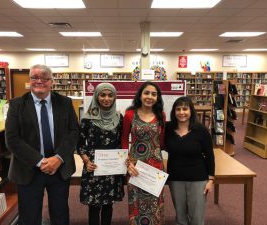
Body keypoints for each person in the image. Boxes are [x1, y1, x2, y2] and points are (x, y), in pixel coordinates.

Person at [5, 64, 79, 225]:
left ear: (51, 81)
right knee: (29, 217)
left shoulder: (65, 103)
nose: (40, 81)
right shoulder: (17, 105)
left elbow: (73, 132)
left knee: (60, 215)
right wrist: (40, 161)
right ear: (29, 80)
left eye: (44, 78)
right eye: (35, 77)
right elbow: (12, 139)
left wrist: (58, 158)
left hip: (59, 169)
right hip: (28, 168)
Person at [79, 83, 125, 225]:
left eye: (110, 95)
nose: (106, 98)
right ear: (96, 96)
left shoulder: (119, 117)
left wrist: (124, 159)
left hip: (112, 167)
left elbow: (120, 142)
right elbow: (79, 143)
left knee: (108, 204)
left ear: (115, 97)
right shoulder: (88, 118)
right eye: (102, 95)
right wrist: (86, 161)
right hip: (94, 166)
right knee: (94, 205)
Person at [164, 96, 215, 225]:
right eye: (178, 109)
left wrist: (211, 179)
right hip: (175, 178)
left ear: (191, 111)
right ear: (174, 112)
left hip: (198, 179)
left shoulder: (201, 130)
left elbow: (209, 155)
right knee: (180, 217)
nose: (181, 112)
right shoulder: (168, 129)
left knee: (197, 218)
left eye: (185, 109)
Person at [122, 81, 166, 225]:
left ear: (157, 97)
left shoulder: (161, 115)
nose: (150, 97)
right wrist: (128, 164)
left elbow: (161, 141)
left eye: (154, 94)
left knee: (155, 202)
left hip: (155, 166)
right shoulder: (129, 114)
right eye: (146, 93)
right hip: (135, 167)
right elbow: (123, 140)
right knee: (136, 203)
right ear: (140, 95)